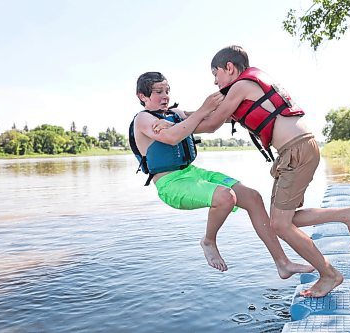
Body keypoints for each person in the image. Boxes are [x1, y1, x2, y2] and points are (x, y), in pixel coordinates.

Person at [155, 46, 350, 297]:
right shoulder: (249, 86)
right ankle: (347, 214)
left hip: (295, 151)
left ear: (229, 68)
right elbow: (215, 115)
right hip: (300, 149)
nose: (215, 81)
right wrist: (180, 115)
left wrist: (172, 127)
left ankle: (329, 274)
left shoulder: (240, 87)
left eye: (216, 74)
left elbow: (211, 124)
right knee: (286, 220)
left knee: (280, 225)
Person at [131, 71, 314, 277]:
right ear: (142, 96)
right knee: (226, 197)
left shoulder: (176, 115)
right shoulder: (143, 119)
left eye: (167, 91)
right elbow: (173, 137)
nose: (165, 96)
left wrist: (253, 103)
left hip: (193, 173)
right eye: (158, 92)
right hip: (170, 184)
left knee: (252, 197)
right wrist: (202, 109)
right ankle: (208, 240)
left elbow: (213, 120)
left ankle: (283, 263)